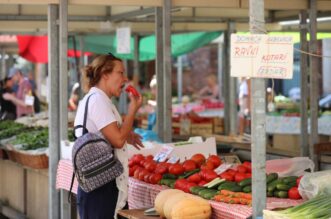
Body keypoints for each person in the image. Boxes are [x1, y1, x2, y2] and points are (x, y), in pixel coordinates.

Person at [74, 53, 144, 219]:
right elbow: (118, 141)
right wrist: (133, 109)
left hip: (101, 183)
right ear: (105, 74)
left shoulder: (100, 99)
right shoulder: (97, 100)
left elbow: (110, 134)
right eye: (120, 73)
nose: (125, 79)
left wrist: (128, 134)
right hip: (100, 189)